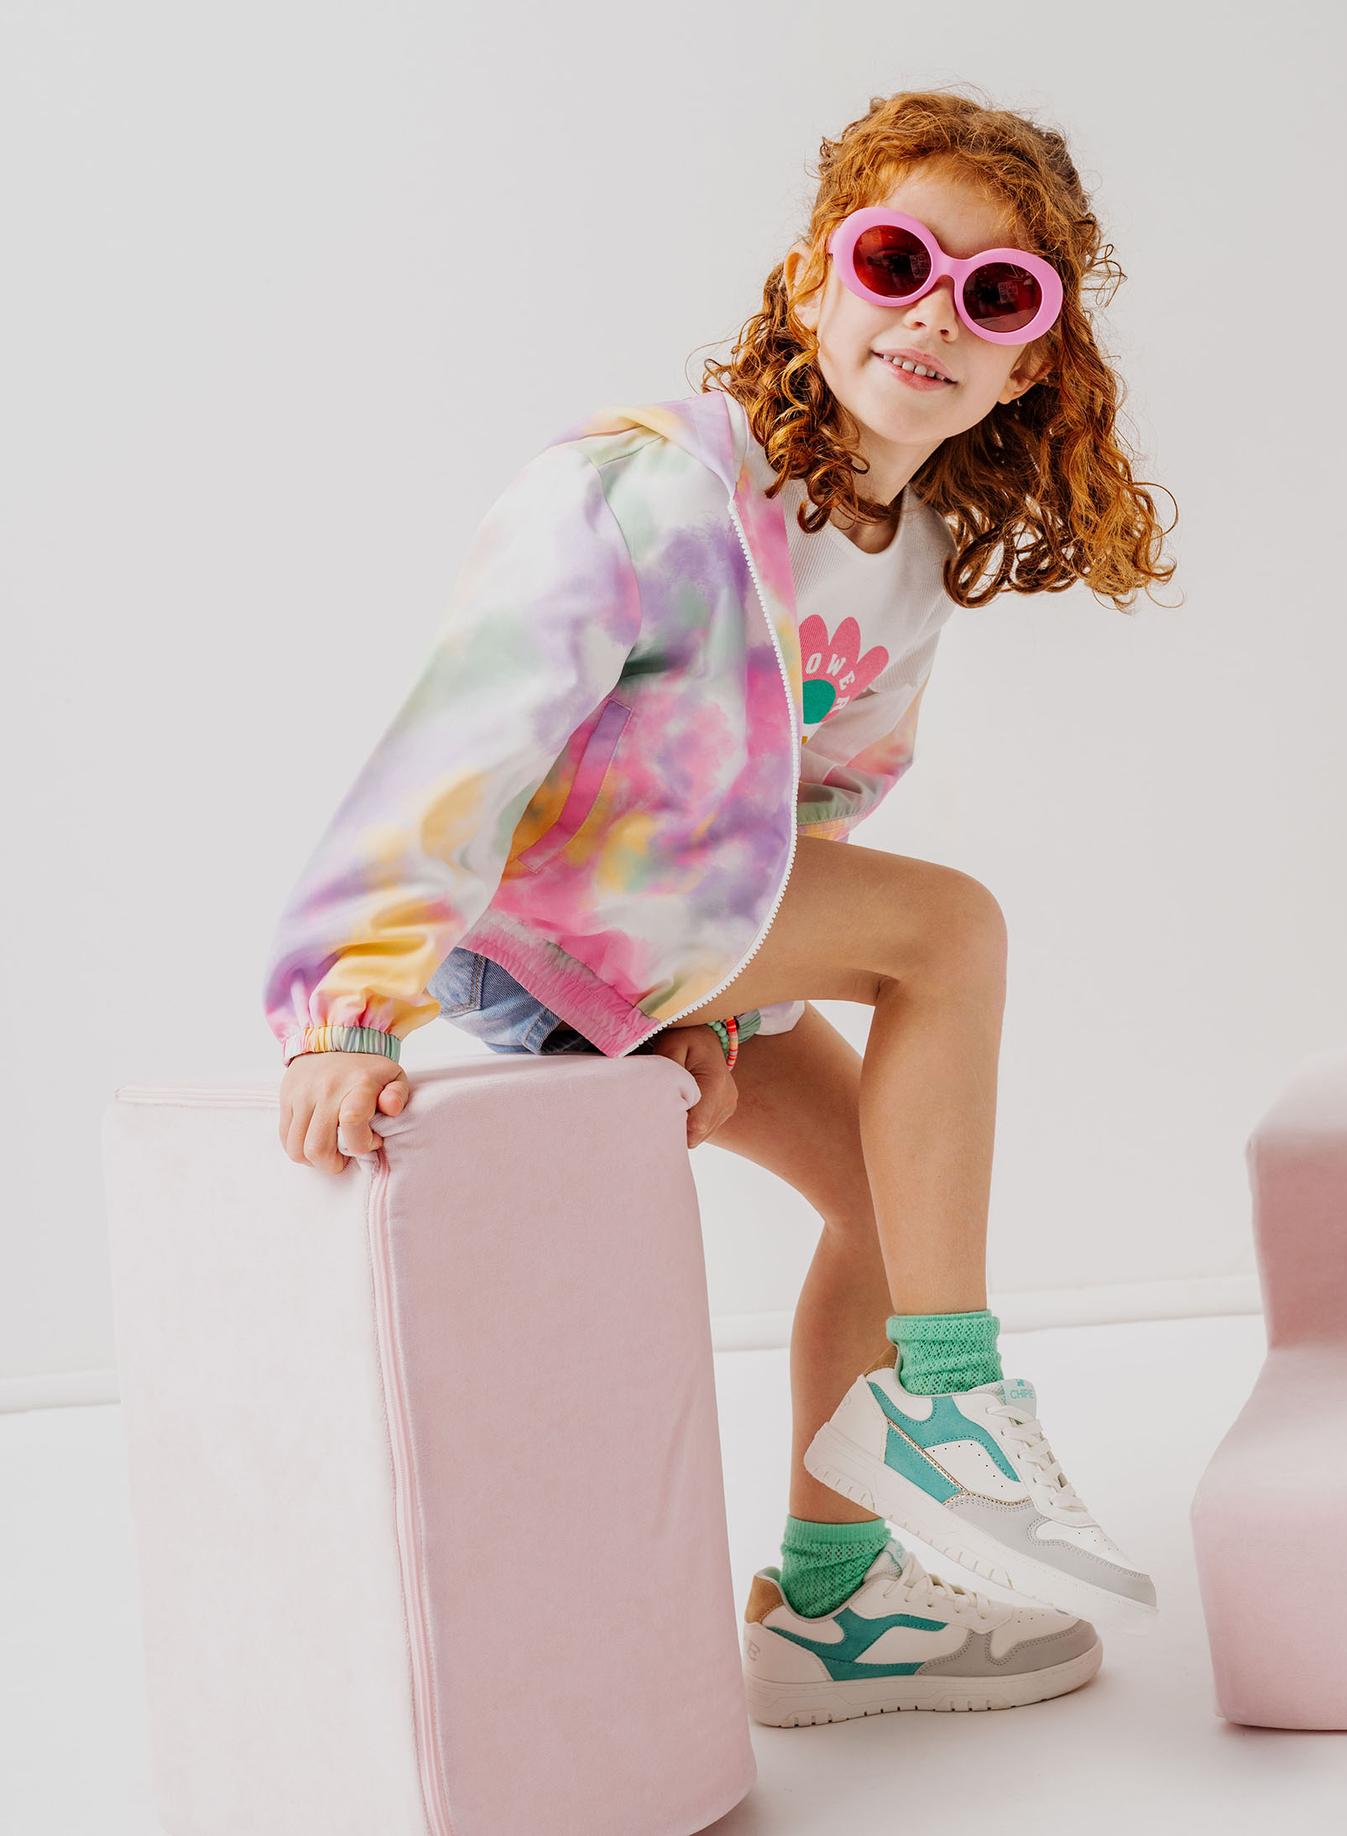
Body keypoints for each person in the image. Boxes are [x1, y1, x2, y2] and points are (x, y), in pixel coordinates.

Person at [264, 86, 1178, 1727]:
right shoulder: (651, 489)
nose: (931, 315)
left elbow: (805, 810)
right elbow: (463, 739)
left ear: (1028, 361)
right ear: (812, 278)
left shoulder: (911, 551)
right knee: (950, 930)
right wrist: (349, 1008)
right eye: (894, 261)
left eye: (991, 294)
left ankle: (828, 1608)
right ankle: (951, 1398)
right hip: (540, 919)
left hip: (674, 940)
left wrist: (719, 1020)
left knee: (888, 1207)